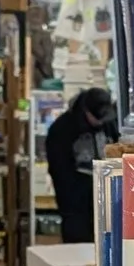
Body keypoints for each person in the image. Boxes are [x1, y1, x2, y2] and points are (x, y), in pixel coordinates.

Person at [42, 87, 117, 241]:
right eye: (97, 118)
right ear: (86, 111)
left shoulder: (109, 124)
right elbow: (60, 172)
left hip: (109, 204)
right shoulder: (61, 130)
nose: (100, 122)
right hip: (76, 208)